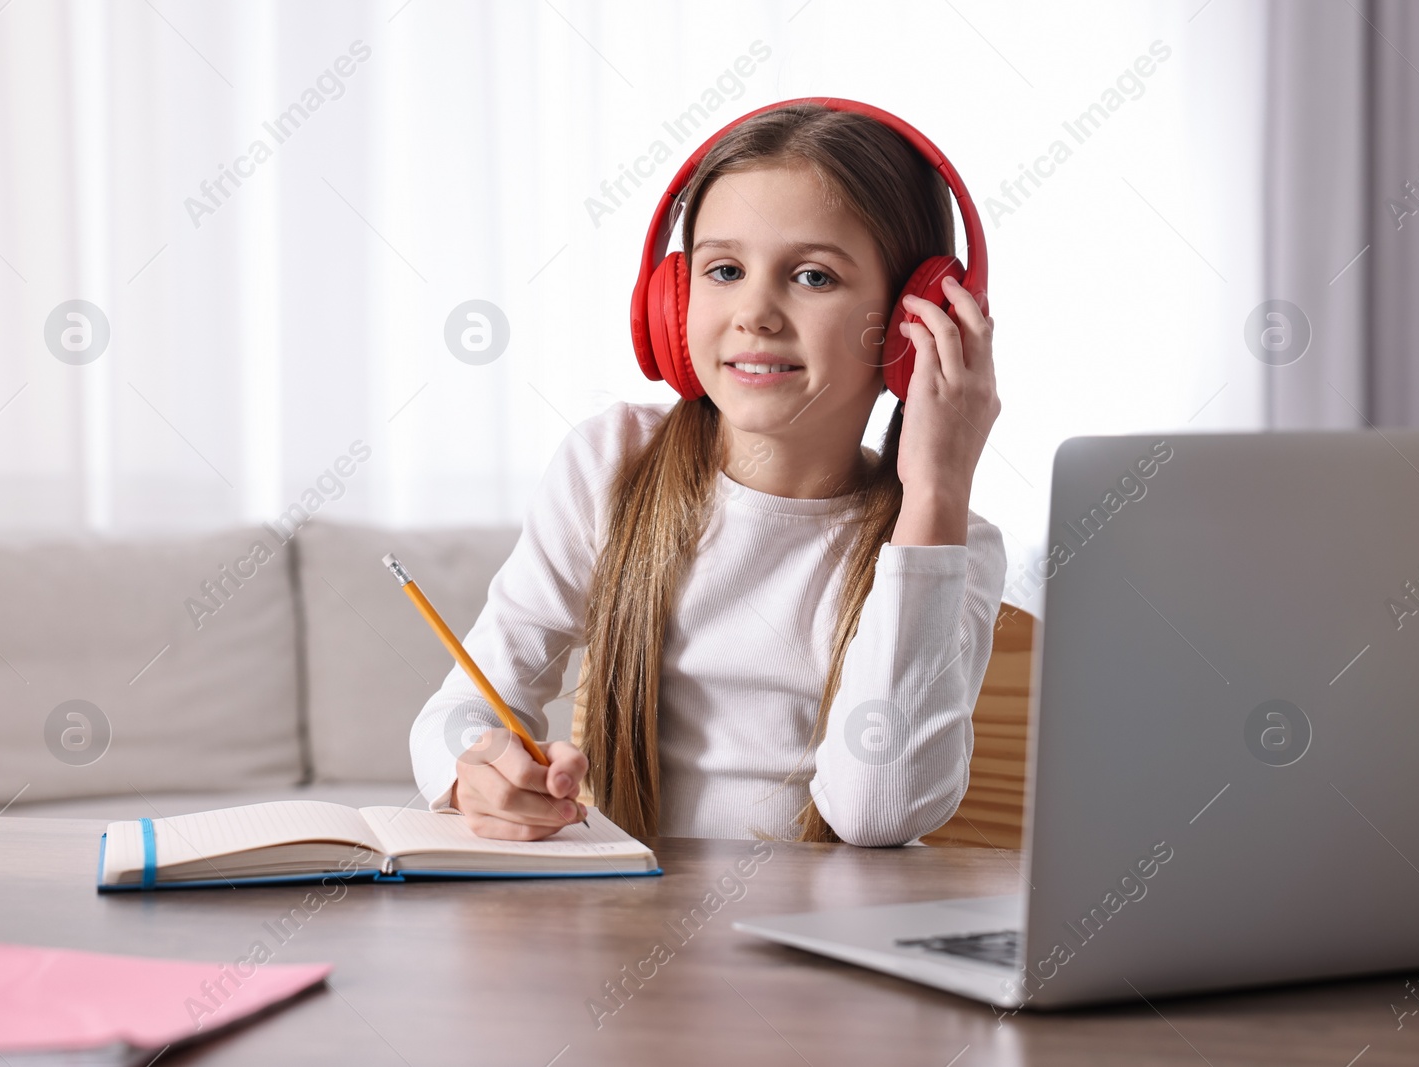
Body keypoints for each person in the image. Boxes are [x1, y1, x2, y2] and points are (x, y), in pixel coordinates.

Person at [409, 101, 1006, 846]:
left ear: (916, 323)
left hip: (828, 945)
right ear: (675, 299)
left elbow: (876, 812)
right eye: (724, 269)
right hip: (633, 938)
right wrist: (480, 761)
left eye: (814, 276)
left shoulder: (950, 542)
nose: (755, 311)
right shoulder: (613, 462)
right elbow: (460, 709)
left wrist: (937, 493)